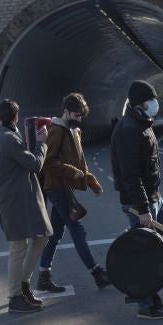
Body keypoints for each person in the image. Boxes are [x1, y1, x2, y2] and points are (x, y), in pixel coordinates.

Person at [110, 80, 163, 319]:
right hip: (138, 203)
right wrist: (142, 209)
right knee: (146, 252)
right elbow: (130, 174)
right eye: (150, 100)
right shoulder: (128, 129)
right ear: (139, 104)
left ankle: (149, 291)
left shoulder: (143, 124)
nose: (155, 104)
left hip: (154, 198)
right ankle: (145, 302)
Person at [36, 93, 112, 292]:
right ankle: (97, 273)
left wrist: (91, 181)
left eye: (81, 116)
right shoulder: (57, 130)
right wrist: (71, 171)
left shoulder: (74, 131)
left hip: (64, 186)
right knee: (77, 229)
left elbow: (80, 163)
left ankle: (43, 275)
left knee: (56, 233)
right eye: (76, 115)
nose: (79, 119)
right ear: (66, 111)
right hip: (56, 185)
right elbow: (48, 162)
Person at [0, 99, 53, 314]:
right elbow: (34, 164)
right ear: (15, 117)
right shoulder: (8, 139)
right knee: (18, 248)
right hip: (16, 202)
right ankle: (15, 296)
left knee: (40, 238)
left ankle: (23, 285)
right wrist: (42, 143)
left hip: (14, 200)